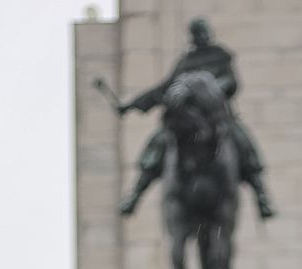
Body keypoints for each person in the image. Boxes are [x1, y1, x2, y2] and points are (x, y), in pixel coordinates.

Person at [117, 16, 276, 219]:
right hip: (186, 122)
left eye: (204, 33)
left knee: (242, 141)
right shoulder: (185, 62)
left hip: (218, 119)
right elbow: (163, 89)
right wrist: (132, 104)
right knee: (158, 141)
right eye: (199, 33)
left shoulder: (220, 56)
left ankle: (261, 195)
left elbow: (230, 82)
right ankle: (135, 194)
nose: (202, 37)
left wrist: (209, 90)